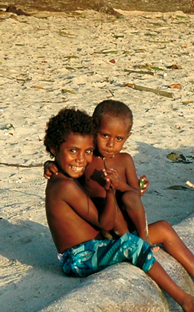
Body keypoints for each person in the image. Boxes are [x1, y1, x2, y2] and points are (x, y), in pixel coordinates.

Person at [43, 107, 194, 312]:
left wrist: (53, 164)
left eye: (87, 151)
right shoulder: (64, 185)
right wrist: (110, 192)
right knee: (133, 245)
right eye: (73, 151)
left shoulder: (68, 174)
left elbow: (113, 204)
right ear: (54, 148)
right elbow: (104, 223)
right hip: (78, 258)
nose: (80, 159)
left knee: (163, 229)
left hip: (97, 243)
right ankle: (187, 301)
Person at [46, 100, 149, 240]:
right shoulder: (87, 158)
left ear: (127, 137)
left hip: (127, 218)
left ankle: (144, 238)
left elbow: (135, 193)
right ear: (94, 129)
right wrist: (50, 164)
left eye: (119, 138)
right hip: (102, 219)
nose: (110, 144)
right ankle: (128, 242)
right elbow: (68, 167)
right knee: (105, 201)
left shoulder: (125, 160)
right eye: (105, 136)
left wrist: (119, 184)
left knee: (129, 198)